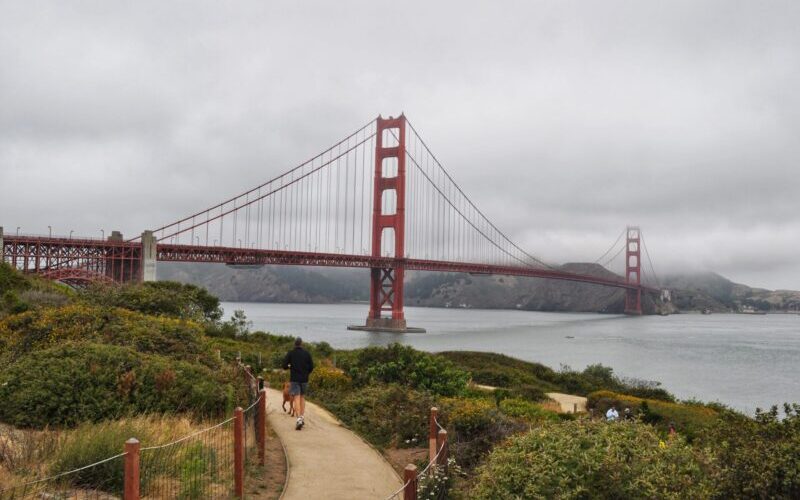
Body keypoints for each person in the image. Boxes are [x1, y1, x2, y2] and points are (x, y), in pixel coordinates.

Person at [283, 337, 314, 430]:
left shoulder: (291, 353)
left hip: (295, 379)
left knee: (296, 397)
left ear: (294, 344)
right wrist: (306, 373)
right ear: (301, 344)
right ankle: (302, 417)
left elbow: (284, 366)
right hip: (304, 379)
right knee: (302, 397)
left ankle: (299, 419)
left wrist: (290, 366)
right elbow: (311, 366)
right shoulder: (307, 353)